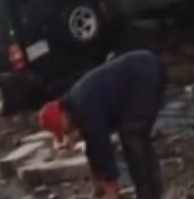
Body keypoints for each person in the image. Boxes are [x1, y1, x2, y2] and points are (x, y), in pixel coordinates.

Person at [38, 50, 166, 199]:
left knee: (132, 135)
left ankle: (149, 193)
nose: (66, 133)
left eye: (63, 130)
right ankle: (151, 190)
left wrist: (111, 185)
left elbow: (102, 146)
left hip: (144, 73)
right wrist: (99, 186)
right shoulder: (76, 106)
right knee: (134, 135)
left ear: (63, 117)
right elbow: (93, 148)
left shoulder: (83, 106)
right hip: (142, 72)